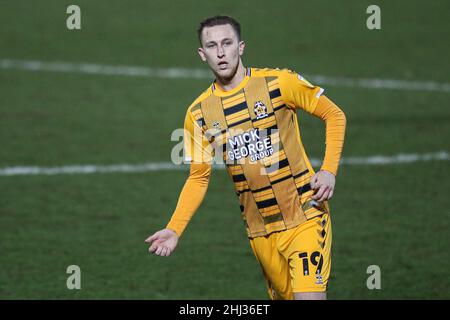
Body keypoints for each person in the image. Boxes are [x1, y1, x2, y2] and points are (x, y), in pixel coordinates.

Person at [145, 15, 346, 300]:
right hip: (259, 231)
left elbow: (334, 114)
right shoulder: (198, 114)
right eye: (212, 46)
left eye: (227, 43)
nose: (220, 52)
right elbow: (198, 177)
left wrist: (328, 170)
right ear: (202, 55)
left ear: (240, 47)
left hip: (305, 214)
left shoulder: (279, 83)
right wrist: (175, 228)